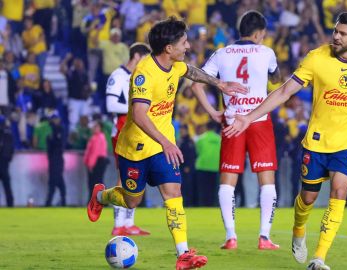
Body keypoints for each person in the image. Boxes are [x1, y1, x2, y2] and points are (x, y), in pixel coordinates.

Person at [225, 12, 347, 270]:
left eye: (343, 33)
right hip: (317, 142)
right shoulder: (317, 58)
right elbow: (285, 90)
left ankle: (319, 258)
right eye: (336, 31)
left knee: (340, 192)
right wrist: (249, 117)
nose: (336, 36)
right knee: (307, 198)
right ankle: (298, 228)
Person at [87, 17, 247, 270]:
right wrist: (166, 142)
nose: (188, 47)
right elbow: (139, 115)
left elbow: (191, 71)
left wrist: (219, 84)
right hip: (136, 148)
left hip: (162, 147)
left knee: (173, 194)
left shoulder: (176, 65)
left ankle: (183, 253)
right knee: (132, 201)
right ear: (168, 48)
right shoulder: (144, 73)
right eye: (183, 43)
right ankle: (100, 195)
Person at [191, 10, 282, 250]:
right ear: (259, 32)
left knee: (227, 182)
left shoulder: (222, 53)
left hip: (231, 121)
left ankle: (231, 237)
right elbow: (276, 79)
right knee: (267, 180)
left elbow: (195, 83)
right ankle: (264, 237)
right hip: (259, 119)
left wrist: (213, 112)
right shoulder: (266, 52)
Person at [105, 42, 151, 236]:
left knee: (138, 174)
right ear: (137, 57)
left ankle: (129, 223)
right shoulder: (118, 76)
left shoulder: (141, 77)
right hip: (122, 129)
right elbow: (111, 104)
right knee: (123, 176)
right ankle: (118, 224)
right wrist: (137, 110)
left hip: (140, 130)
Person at [45, 113, 66, 207]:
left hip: (57, 158)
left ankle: (49, 202)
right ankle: (62, 201)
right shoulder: (53, 129)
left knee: (54, 182)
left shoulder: (60, 130)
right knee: (58, 181)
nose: (55, 121)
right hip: (54, 159)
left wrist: (50, 140)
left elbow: (59, 144)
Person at [83, 120, 108, 194]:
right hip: (98, 161)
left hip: (97, 162)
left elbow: (94, 152)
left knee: (95, 182)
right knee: (97, 181)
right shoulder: (97, 137)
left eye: (96, 127)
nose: (94, 128)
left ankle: (99, 199)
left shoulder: (98, 137)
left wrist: (90, 164)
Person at [0, 115, 14, 207]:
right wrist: (8, 158)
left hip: (3, 162)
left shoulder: (5, 134)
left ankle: (10, 204)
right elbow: (11, 149)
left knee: (7, 186)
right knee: (7, 186)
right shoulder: (8, 133)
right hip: (5, 163)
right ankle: (10, 205)